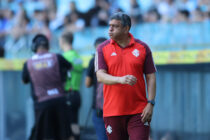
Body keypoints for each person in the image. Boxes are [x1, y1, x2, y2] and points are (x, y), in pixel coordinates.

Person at [95, 12, 157, 140]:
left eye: (115, 26)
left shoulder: (143, 48)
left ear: (126, 29)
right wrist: (120, 79)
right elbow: (100, 76)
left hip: (139, 112)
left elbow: (151, 77)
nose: (110, 29)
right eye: (109, 25)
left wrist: (150, 103)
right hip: (112, 111)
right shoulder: (102, 48)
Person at [22, 34, 72, 140]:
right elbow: (70, 67)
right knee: (65, 135)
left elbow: (24, 80)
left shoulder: (28, 63)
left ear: (34, 47)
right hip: (59, 100)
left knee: (41, 136)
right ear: (48, 46)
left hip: (42, 104)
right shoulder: (57, 57)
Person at [59, 32, 83, 140]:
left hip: (67, 93)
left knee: (67, 127)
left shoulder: (64, 57)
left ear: (62, 41)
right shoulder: (78, 56)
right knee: (74, 123)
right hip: (76, 94)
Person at [85, 37, 108, 140]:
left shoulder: (93, 61)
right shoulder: (115, 59)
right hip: (115, 107)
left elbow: (87, 83)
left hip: (99, 108)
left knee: (102, 136)